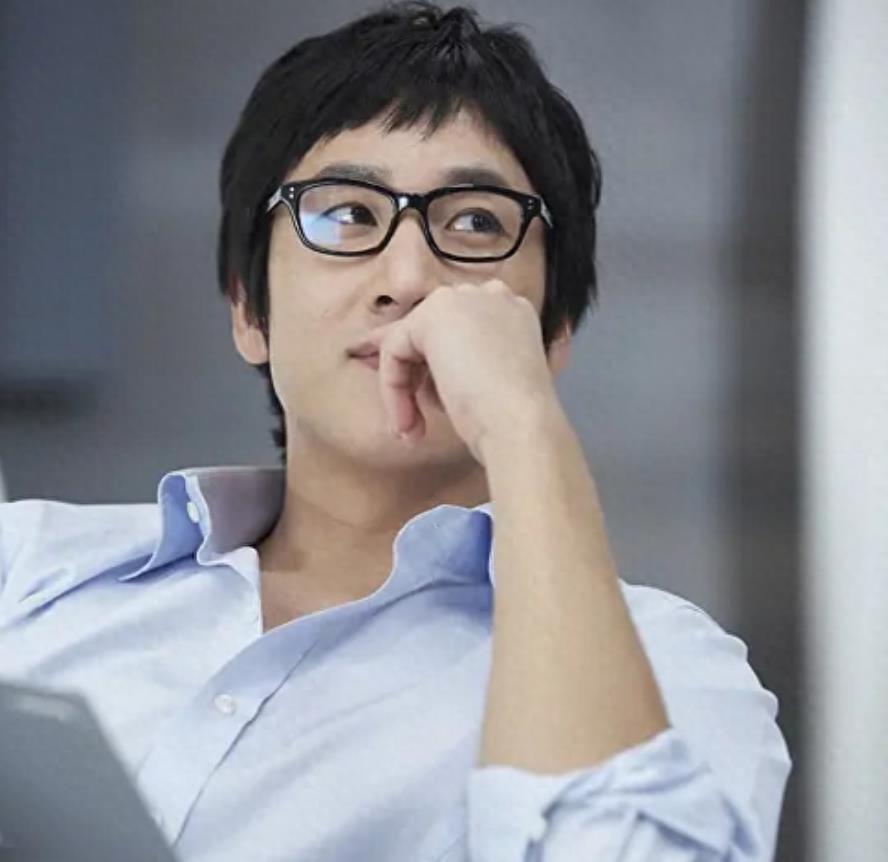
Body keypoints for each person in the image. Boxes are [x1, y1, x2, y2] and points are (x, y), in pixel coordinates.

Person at [0, 2, 791, 860]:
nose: (408, 277)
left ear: (553, 333)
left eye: (476, 221)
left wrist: (525, 429)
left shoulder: (664, 666)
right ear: (249, 310)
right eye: (346, 213)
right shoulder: (29, 567)